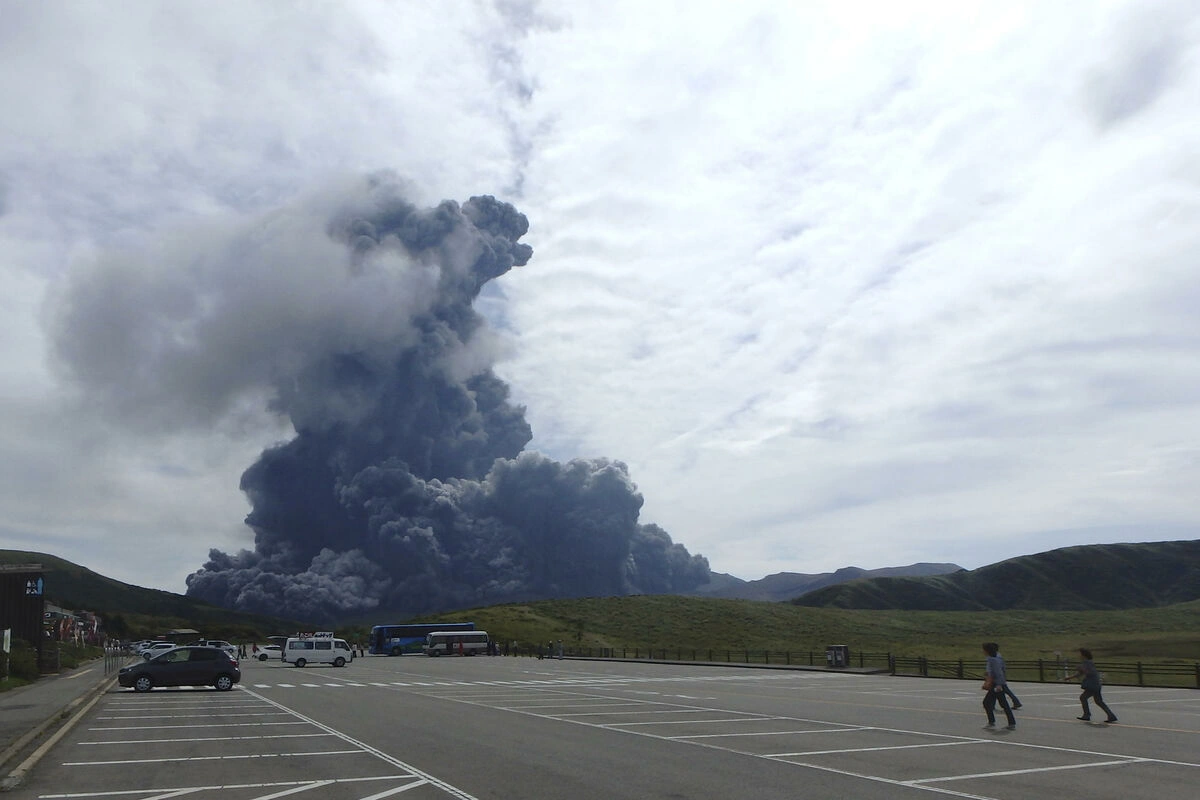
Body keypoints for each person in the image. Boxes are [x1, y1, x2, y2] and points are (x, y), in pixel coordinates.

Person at [1064, 648, 1117, 723]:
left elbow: (1089, 672)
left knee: (1083, 697)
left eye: (1080, 654)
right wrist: (1069, 677)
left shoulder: (1087, 663)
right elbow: (1080, 673)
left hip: (1092, 684)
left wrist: (1080, 668)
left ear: (1083, 655)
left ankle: (1087, 715)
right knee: (1098, 701)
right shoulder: (1087, 662)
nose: (1079, 655)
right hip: (1096, 684)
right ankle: (1111, 716)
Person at [981, 642, 1016, 729]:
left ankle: (992, 722)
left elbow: (999, 673)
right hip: (998, 683)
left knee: (987, 703)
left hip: (996, 685)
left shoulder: (993, 660)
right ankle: (1011, 723)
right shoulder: (998, 657)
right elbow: (1003, 669)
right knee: (1003, 703)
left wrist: (999, 684)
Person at [995, 643, 1022, 709]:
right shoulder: (998, 656)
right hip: (1001, 675)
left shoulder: (996, 657)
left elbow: (998, 668)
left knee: (999, 690)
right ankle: (1016, 702)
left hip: (999, 676)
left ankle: (1015, 702)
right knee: (1005, 690)